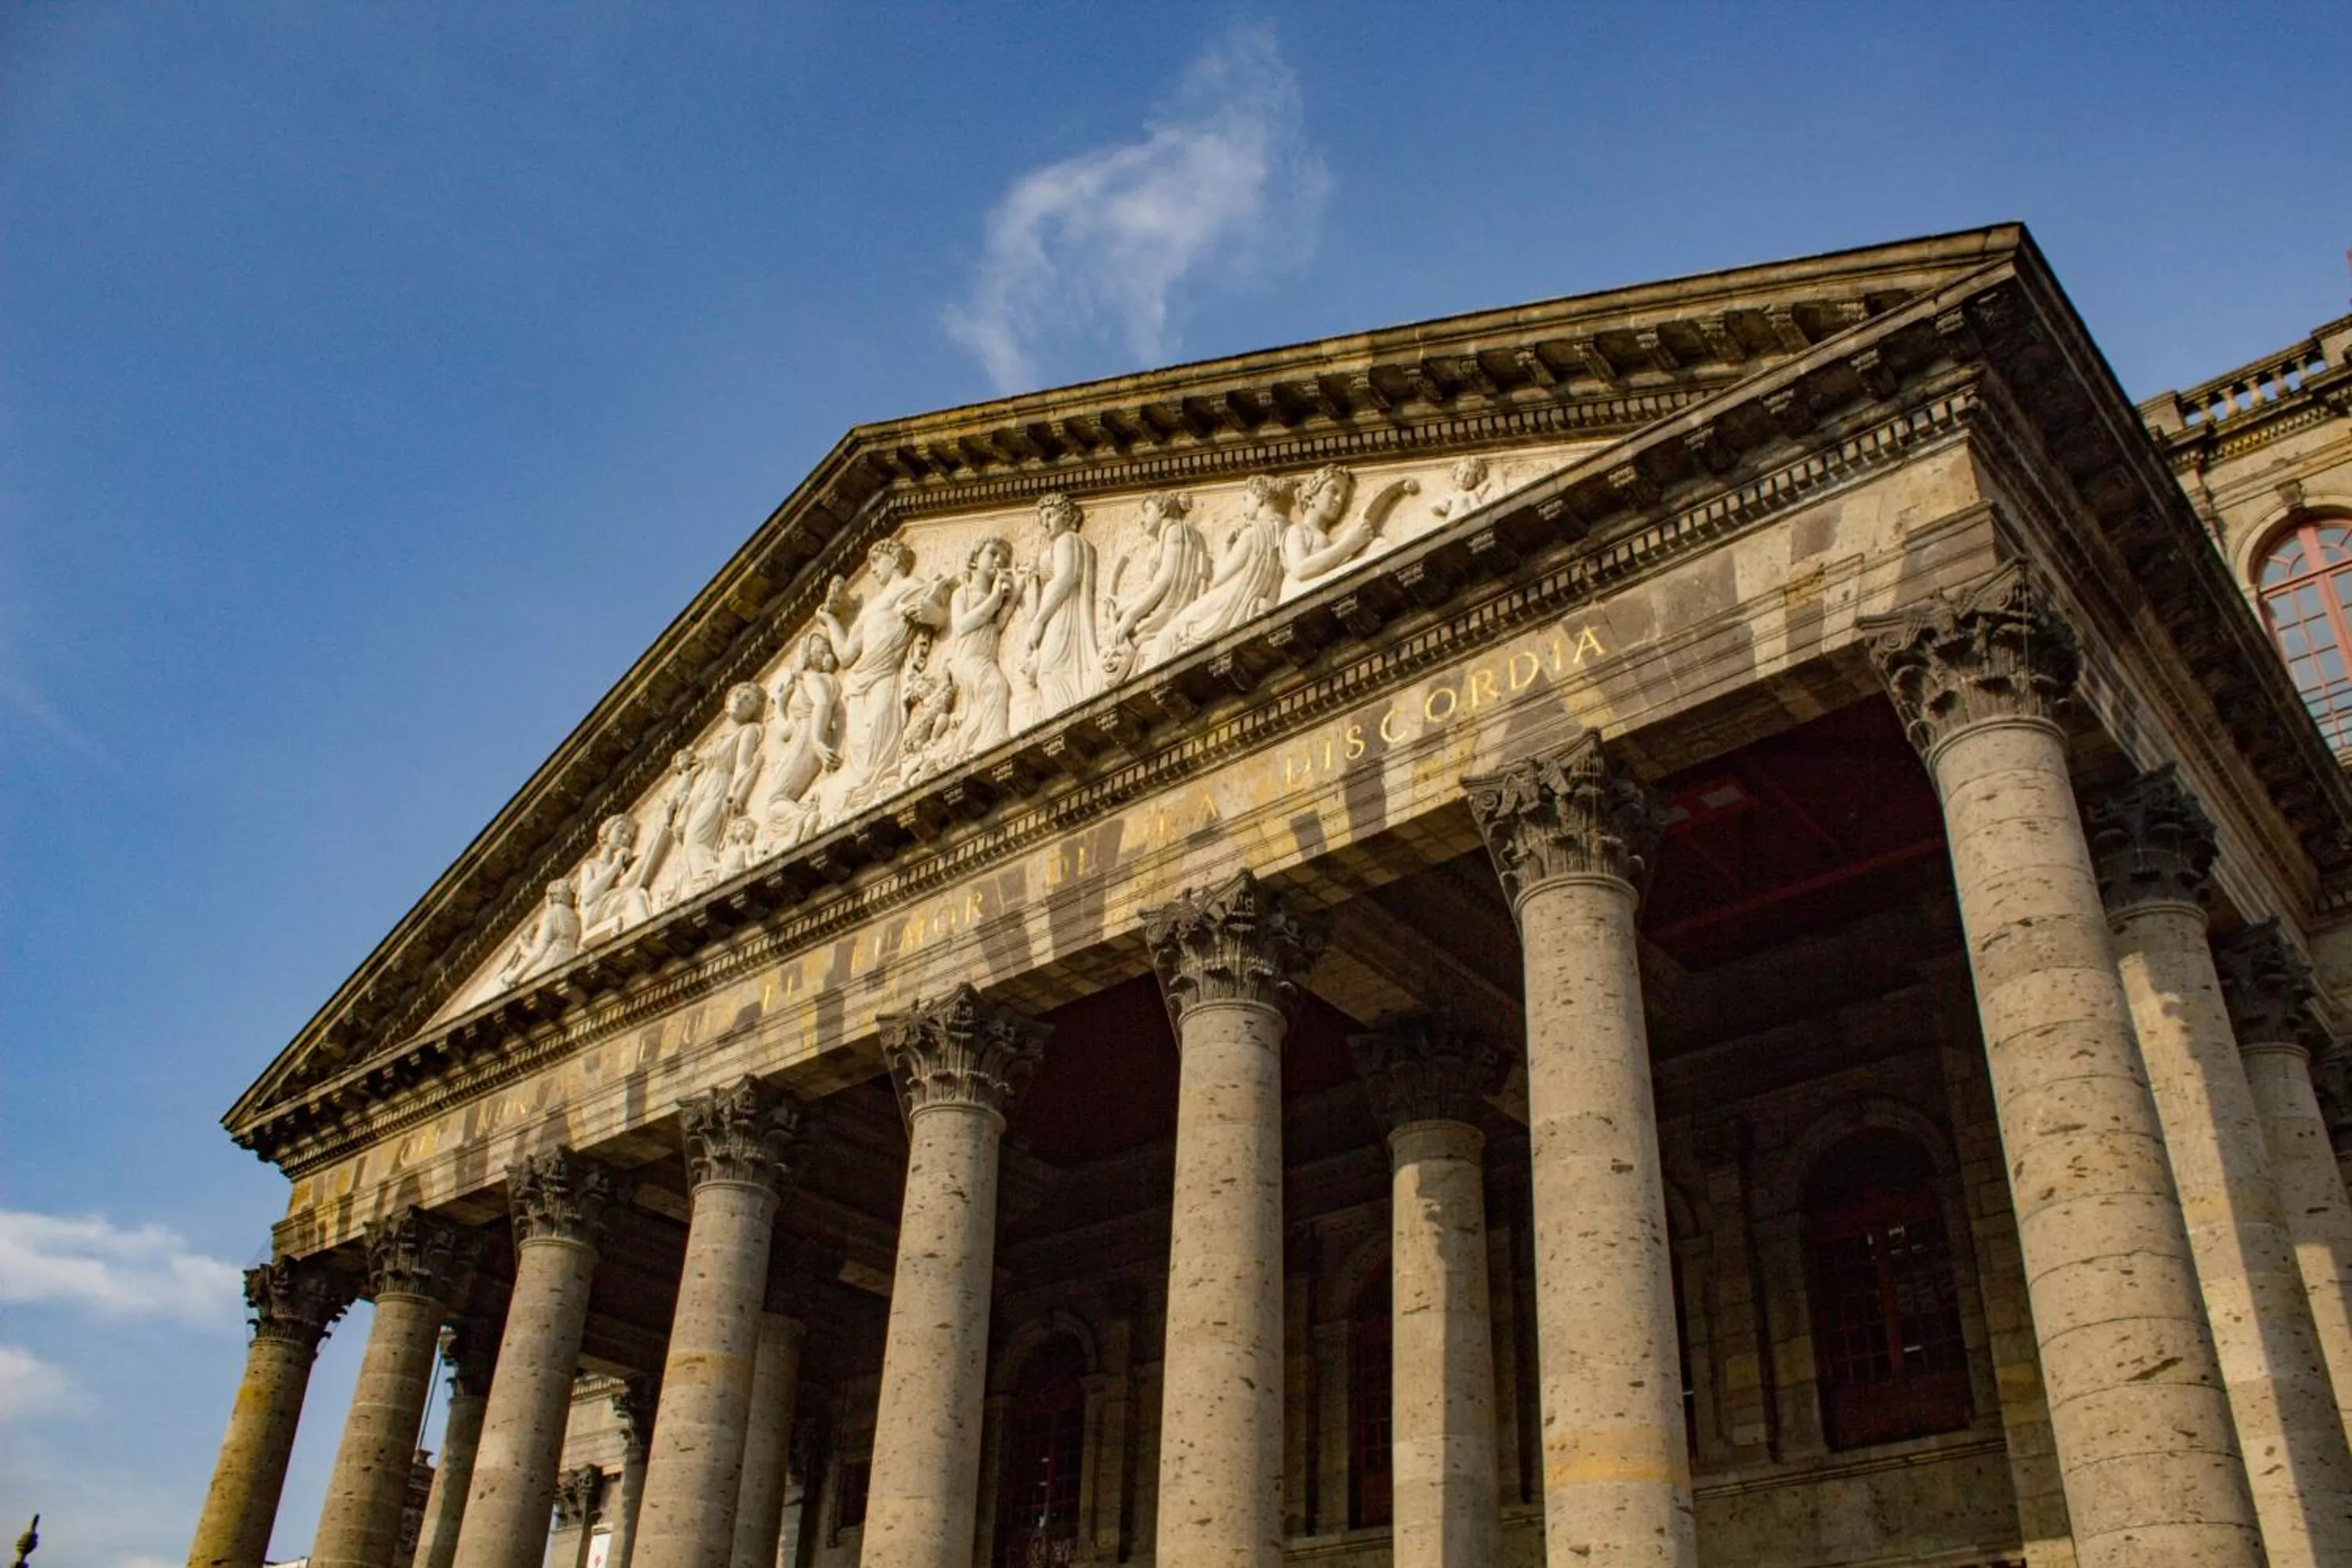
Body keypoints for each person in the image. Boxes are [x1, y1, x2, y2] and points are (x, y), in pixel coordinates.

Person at [818, 538, 931, 808]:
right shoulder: (869, 610)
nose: (873, 569)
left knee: (880, 742)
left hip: (885, 675)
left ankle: (876, 790)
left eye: (877, 561)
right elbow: (845, 656)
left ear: (895, 558)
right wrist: (830, 621)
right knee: (860, 747)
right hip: (859, 680)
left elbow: (933, 612)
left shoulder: (911, 587)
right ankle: (860, 798)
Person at [1158, 474, 1289, 655]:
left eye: (1246, 499)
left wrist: (1226, 546)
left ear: (1259, 498)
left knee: (1169, 634)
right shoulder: (1288, 529)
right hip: (1260, 601)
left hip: (1232, 599)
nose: (1243, 507)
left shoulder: (1252, 533)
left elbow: (1220, 578)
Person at [1108, 492, 1208, 679]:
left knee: (1122, 649)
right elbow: (1157, 587)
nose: (1142, 520)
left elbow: (1165, 580)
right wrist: (1126, 605)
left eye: (1147, 511)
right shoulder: (1180, 534)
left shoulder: (1175, 531)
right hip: (1170, 610)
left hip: (1169, 615)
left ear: (1162, 510)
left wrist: (1131, 615)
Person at [675, 682, 766, 888]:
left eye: (749, 700)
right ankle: (698, 882)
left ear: (753, 712)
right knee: (689, 839)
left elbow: (743, 764)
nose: (741, 700)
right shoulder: (716, 740)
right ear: (727, 703)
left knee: (694, 841)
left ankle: (704, 880)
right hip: (702, 789)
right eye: (738, 695)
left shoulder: (748, 731)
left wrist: (737, 794)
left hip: (718, 788)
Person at [1019, 492, 1101, 711]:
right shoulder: (1062, 543)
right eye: (1042, 519)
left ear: (1067, 516)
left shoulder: (1067, 540)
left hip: (1062, 613)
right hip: (1055, 611)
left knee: (1050, 672)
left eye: (1051, 515)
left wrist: (1039, 621)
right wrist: (1032, 582)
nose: (1045, 523)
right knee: (1048, 673)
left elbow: (1066, 577)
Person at [764, 630, 843, 848]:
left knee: (774, 801)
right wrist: (780, 704)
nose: (824, 654)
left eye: (824, 650)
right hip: (803, 737)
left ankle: (805, 817)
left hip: (808, 738)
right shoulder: (815, 680)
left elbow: (823, 703)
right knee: (777, 798)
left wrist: (817, 741)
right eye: (819, 650)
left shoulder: (811, 677)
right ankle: (804, 816)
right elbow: (786, 731)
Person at [944, 535, 1018, 753]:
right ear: (974, 559)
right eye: (992, 554)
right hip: (969, 659)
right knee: (996, 686)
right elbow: (961, 626)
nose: (999, 560)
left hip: (985, 658)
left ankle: (977, 742)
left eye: (1004, 558)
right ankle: (992, 742)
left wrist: (1020, 587)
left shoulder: (994, 596)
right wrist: (995, 599)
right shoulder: (962, 593)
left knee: (984, 703)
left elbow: (998, 626)